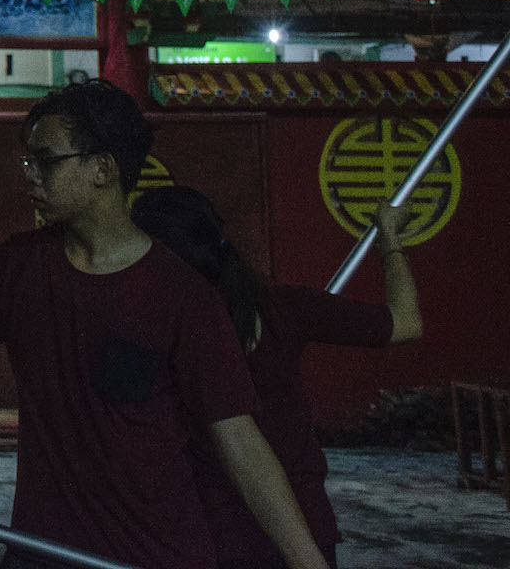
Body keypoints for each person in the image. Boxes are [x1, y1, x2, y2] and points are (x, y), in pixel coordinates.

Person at [0, 79, 331, 569]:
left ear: (103, 169)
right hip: (40, 553)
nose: (30, 175)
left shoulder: (180, 297)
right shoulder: (15, 268)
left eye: (46, 160)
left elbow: (239, 440)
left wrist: (309, 563)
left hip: (156, 556)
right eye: (29, 161)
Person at [132, 185, 422, 569]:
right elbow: (406, 322)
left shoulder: (151, 332)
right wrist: (389, 239)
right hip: (302, 534)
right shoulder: (285, 309)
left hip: (208, 540)